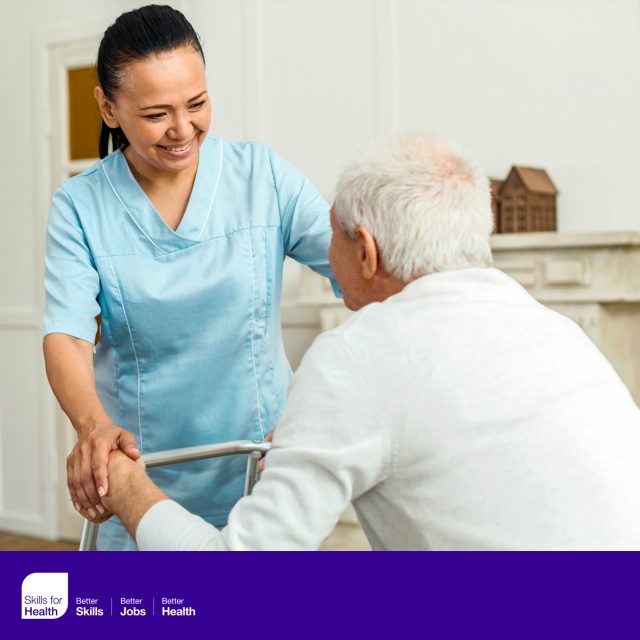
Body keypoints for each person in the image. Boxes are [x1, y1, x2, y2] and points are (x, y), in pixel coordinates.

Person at [96, 131, 640, 550]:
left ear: (366, 251)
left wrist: (127, 488)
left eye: (330, 232)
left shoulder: (357, 355)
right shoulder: (556, 331)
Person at [43, 4, 338, 550]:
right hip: (140, 485)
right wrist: (93, 427)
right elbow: (67, 334)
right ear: (108, 108)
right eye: (157, 114)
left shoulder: (263, 176)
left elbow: (360, 272)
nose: (183, 129)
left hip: (264, 477)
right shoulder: (80, 205)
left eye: (197, 104)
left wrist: (324, 408)